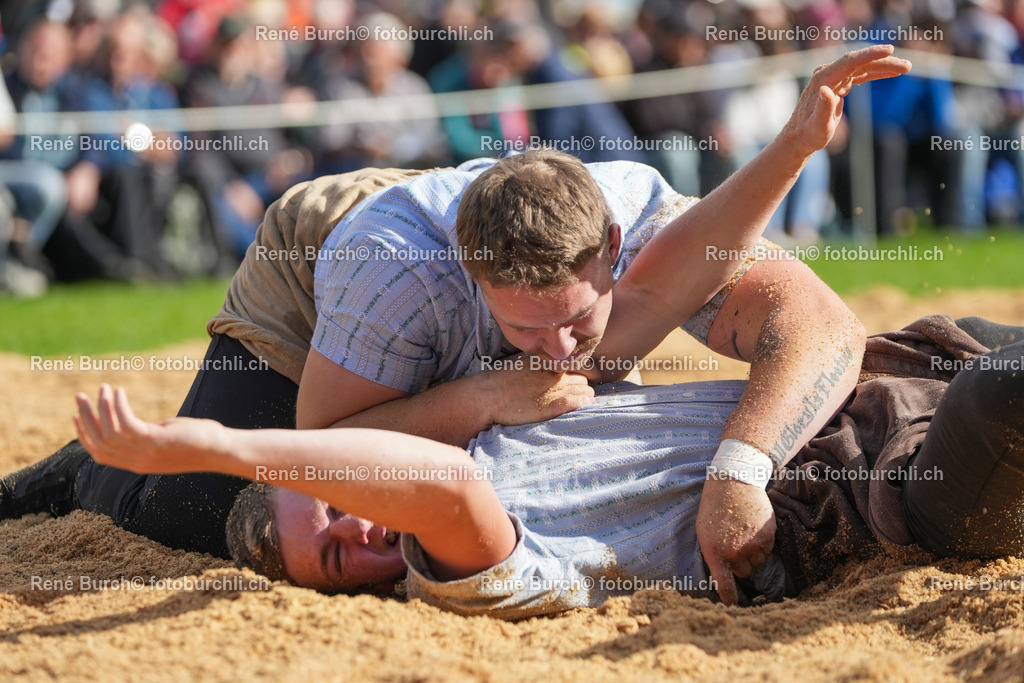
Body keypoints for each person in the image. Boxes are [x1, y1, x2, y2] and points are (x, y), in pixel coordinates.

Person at [1, 46, 912, 606]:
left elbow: (823, 326)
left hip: (502, 239)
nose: (563, 349)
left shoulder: (629, 210)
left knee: (575, 378)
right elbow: (320, 439)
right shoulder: (390, 275)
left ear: (614, 250)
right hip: (323, 270)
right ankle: (74, 471)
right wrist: (483, 393)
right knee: (218, 512)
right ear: (478, 286)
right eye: (529, 328)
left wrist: (794, 148)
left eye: (579, 318)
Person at [70, 314, 1024, 619]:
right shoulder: (463, 573)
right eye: (332, 553)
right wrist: (210, 448)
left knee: (988, 349)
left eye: (325, 502)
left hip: (885, 373)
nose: (355, 524)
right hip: (888, 490)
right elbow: (435, 489)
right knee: (1006, 397)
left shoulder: (480, 427)